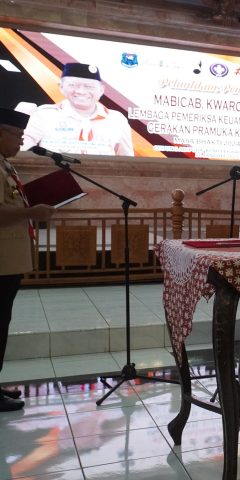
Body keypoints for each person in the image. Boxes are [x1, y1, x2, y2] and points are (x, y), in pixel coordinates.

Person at [0, 107, 56, 411]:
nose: (22, 141)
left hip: (8, 261)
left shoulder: (5, 165)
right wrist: (31, 212)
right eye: (17, 135)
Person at [22, 63, 134, 156]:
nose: (81, 91)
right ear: (61, 87)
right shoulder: (44, 115)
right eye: (73, 85)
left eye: (89, 86)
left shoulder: (117, 120)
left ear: (101, 90)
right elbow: (23, 149)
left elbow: (127, 160)